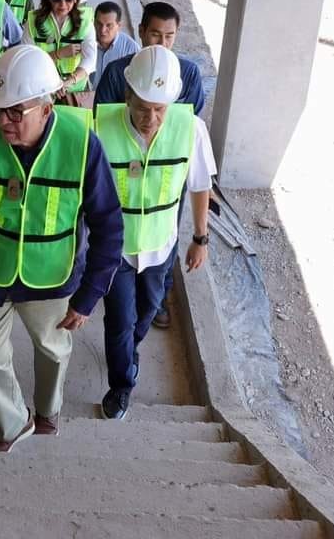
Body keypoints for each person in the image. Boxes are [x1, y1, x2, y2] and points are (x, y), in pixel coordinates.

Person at [0, 44, 123, 453]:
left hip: (52, 276)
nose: (3, 121)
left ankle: (47, 410)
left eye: (15, 111)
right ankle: (13, 423)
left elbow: (109, 225)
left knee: (53, 351)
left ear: (46, 106)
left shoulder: (83, 146)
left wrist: (89, 295)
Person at [95, 46, 214, 420]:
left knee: (145, 313)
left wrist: (200, 237)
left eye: (159, 109)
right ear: (127, 95)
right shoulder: (100, 126)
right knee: (119, 321)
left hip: (161, 247)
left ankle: (130, 351)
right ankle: (121, 384)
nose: (151, 118)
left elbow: (198, 185)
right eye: (143, 107)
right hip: (117, 250)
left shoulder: (189, 129)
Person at [94, 1, 205, 331]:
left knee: (164, 230)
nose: (161, 43)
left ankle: (158, 297)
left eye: (169, 36)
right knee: (121, 234)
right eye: (155, 34)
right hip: (124, 169)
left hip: (167, 172)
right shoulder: (118, 72)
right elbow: (104, 122)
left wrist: (201, 237)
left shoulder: (189, 73)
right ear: (141, 32)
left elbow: (189, 122)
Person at [24, 0, 96, 103]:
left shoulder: (85, 22)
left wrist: (68, 82)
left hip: (75, 93)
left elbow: (90, 60)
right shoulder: (32, 22)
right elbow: (28, 61)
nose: (62, 5)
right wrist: (58, 54)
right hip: (42, 92)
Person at [92, 1, 140, 89]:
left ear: (119, 25)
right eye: (99, 24)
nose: (103, 30)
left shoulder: (131, 49)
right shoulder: (86, 42)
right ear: (93, 22)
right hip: (85, 97)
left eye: (109, 25)